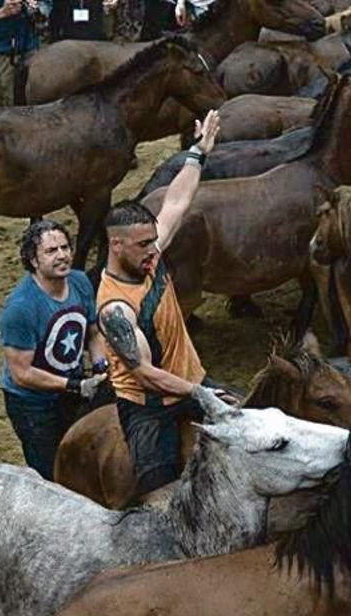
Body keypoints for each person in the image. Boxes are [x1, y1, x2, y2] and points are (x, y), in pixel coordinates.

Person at [97, 110, 233, 497]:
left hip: (193, 381)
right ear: (116, 245)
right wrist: (198, 393)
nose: (152, 252)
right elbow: (146, 374)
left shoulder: (148, 252)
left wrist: (198, 152)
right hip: (149, 407)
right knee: (160, 494)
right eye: (142, 246)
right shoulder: (114, 308)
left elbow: (176, 201)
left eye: (151, 242)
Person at [0, 219, 109, 478]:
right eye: (51, 251)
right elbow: (22, 374)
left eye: (65, 247)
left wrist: (100, 365)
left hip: (72, 388)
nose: (61, 256)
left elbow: (93, 331)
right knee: (51, 475)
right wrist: (76, 386)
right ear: (33, 261)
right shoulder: (20, 308)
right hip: (32, 406)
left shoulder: (80, 282)